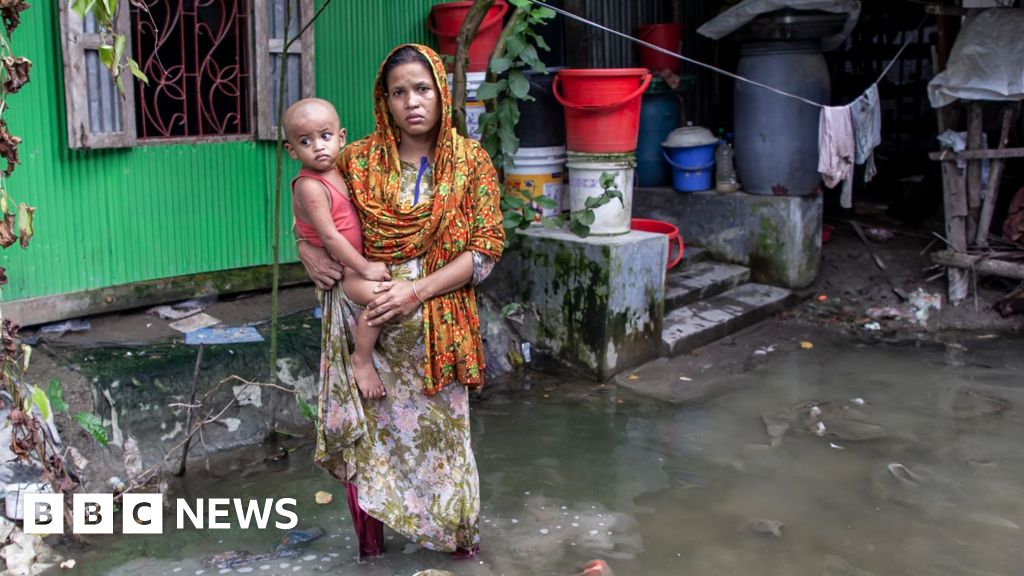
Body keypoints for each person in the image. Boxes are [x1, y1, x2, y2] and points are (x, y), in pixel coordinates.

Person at [297, 44, 504, 559]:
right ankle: (371, 557)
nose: (412, 102)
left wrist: (416, 291)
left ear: (441, 92)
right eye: (398, 92)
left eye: (422, 88)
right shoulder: (356, 159)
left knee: (446, 451)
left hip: (436, 330)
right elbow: (313, 205)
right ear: (383, 100)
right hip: (364, 328)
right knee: (368, 449)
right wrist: (304, 251)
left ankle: (461, 556)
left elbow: (486, 251)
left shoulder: (471, 163)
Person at [284, 98, 390, 400]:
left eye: (325, 136)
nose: (318, 146)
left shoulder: (340, 169)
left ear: (341, 137)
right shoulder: (309, 186)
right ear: (292, 150)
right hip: (344, 270)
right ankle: (362, 358)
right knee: (381, 300)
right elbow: (330, 238)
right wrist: (365, 268)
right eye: (306, 141)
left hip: (354, 261)